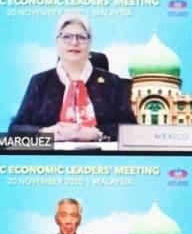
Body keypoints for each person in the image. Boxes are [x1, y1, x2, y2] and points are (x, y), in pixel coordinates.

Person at [8, 12, 135, 141]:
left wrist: (96, 133)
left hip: (102, 159)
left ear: (90, 43)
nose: (74, 43)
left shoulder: (113, 83)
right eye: (66, 37)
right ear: (57, 43)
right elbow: (15, 129)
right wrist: (46, 133)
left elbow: (131, 129)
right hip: (49, 159)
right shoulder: (40, 82)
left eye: (81, 37)